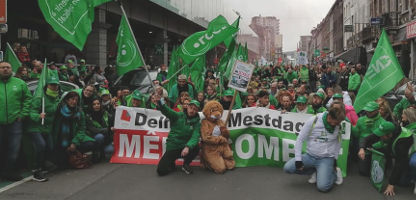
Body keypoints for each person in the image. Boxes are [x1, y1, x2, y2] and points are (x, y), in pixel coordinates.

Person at [283, 107, 345, 192]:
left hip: (326, 158)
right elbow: (300, 139)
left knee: (323, 187)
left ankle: (334, 173)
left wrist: (335, 158)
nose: (338, 125)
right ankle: (318, 172)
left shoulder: (339, 126)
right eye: (336, 123)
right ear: (329, 118)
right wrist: (298, 160)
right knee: (288, 168)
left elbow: (338, 142)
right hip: (310, 156)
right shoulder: (313, 120)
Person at [359, 121, 414, 196]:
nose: (380, 136)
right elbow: (367, 139)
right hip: (394, 150)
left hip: (410, 154)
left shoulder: (403, 140)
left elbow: (399, 162)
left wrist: (391, 184)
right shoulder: (386, 130)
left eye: (382, 135)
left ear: (390, 135)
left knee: (402, 182)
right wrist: (362, 148)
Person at [0, 61, 32, 181]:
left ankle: (9, 171)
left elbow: (28, 99)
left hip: (15, 122)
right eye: (2, 67)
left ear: (11, 69)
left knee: (14, 149)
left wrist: (23, 115)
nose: (5, 69)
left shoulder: (20, 83)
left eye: (8, 67)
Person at [155, 96, 201, 176]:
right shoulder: (178, 116)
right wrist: (160, 103)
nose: (192, 110)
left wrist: (187, 147)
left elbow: (195, 136)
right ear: (187, 107)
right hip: (173, 147)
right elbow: (168, 111)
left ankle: (186, 164)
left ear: (197, 111)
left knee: (196, 148)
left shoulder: (197, 123)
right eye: (191, 108)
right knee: (161, 171)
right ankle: (171, 163)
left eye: (195, 109)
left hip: (185, 148)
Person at [27, 76, 61, 182]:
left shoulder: (57, 98)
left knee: (50, 147)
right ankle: (36, 170)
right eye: (51, 85)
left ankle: (44, 165)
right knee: (41, 145)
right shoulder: (39, 98)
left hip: (48, 128)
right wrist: (38, 116)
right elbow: (31, 112)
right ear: (47, 86)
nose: (54, 87)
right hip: (35, 127)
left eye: (55, 85)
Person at [52, 91, 96, 168]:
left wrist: (74, 142)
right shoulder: (58, 111)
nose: (74, 101)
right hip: (59, 140)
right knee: (62, 165)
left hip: (73, 138)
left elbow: (82, 128)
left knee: (90, 143)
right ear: (67, 100)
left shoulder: (79, 112)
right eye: (72, 99)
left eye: (76, 100)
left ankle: (77, 152)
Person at [354, 101, 386, 176]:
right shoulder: (360, 120)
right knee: (363, 172)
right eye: (367, 110)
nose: (368, 112)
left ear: (376, 111)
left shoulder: (382, 122)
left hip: (376, 149)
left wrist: (373, 147)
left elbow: (384, 141)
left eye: (370, 111)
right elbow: (356, 134)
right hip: (363, 148)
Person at [86, 98, 115, 162]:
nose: (96, 105)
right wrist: (108, 129)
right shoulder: (88, 116)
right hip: (94, 138)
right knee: (99, 136)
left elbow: (113, 119)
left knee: (110, 150)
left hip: (106, 138)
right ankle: (95, 152)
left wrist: (114, 109)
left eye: (98, 104)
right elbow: (93, 130)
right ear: (91, 105)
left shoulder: (105, 113)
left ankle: (101, 151)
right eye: (94, 104)